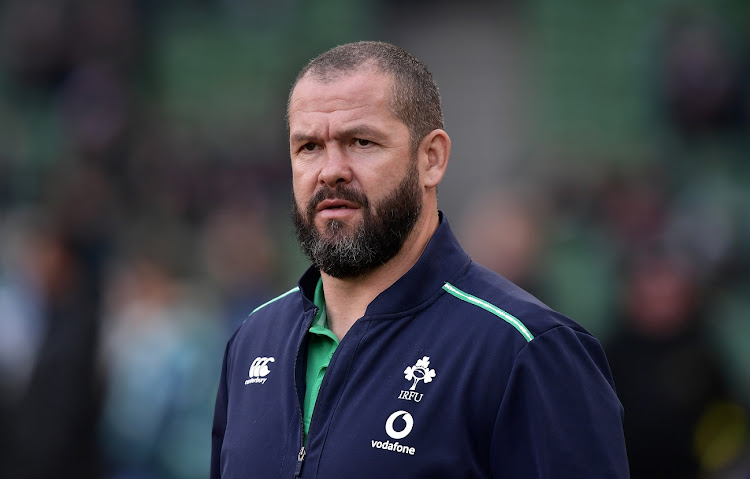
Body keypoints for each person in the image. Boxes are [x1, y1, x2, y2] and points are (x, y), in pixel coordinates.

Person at [211, 41, 629, 478]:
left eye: (361, 141)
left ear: (431, 158)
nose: (330, 169)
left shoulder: (528, 349)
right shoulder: (252, 341)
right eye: (309, 147)